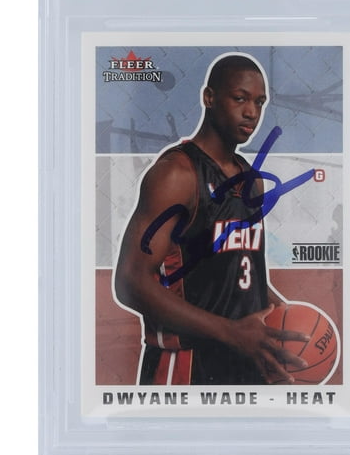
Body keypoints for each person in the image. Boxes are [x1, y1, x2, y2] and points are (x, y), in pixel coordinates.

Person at [113, 53, 309, 385]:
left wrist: (282, 314)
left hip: (244, 359)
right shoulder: (176, 174)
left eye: (259, 102)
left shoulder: (251, 179)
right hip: (185, 366)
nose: (252, 112)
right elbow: (131, 281)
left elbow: (237, 269)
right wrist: (231, 332)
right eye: (240, 98)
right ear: (209, 98)